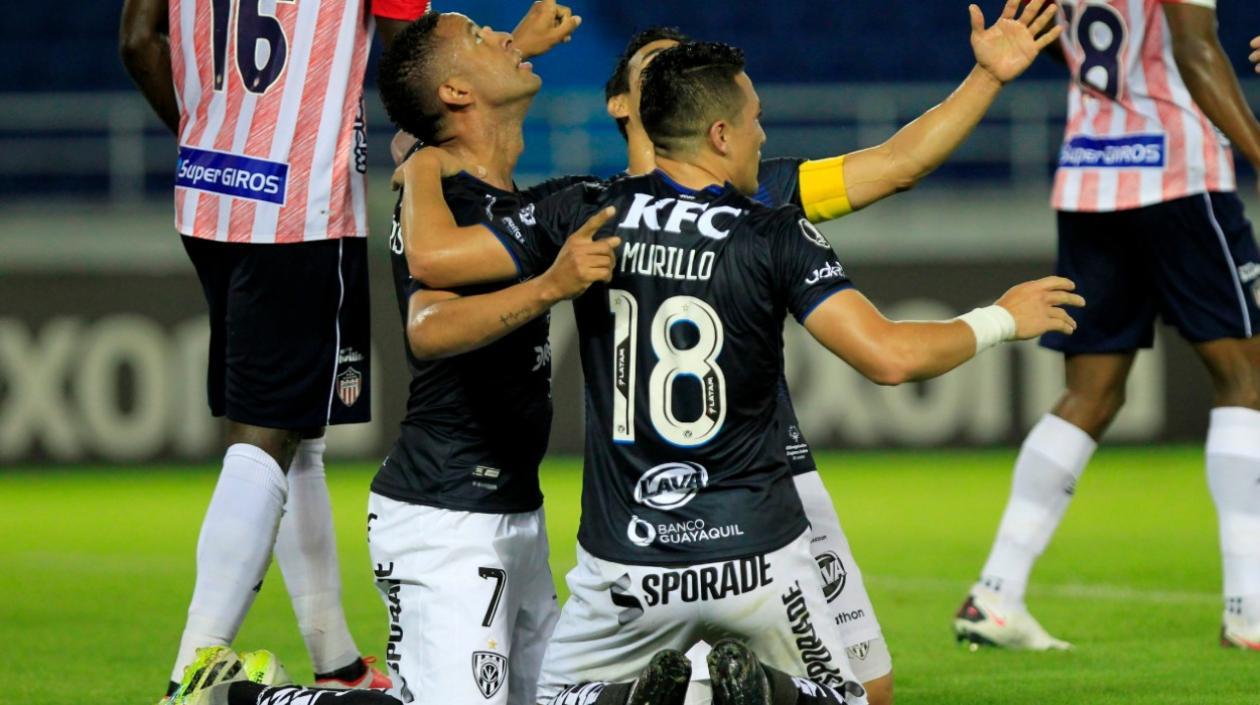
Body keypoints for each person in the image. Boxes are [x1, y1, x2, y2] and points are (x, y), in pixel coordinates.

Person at [395, 38, 1082, 703]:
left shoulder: (582, 211)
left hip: (629, 560)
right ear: (715, 130)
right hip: (758, 545)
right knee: (850, 696)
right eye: (753, 121)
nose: (762, 134)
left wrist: (425, 166)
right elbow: (891, 355)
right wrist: (1002, 318)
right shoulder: (773, 221)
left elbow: (433, 260)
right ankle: (763, 693)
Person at [596, 3, 1062, 700]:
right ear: (621, 104)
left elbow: (898, 163)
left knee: (870, 688)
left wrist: (986, 78)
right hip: (646, 502)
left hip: (771, 478)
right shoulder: (591, 212)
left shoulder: (760, 189)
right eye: (658, 68)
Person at [119, 0, 432, 698]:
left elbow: (140, 42)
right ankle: (192, 668)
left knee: (294, 431)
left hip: (208, 195)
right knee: (263, 434)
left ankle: (338, 660)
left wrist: (209, 134)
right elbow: (410, 56)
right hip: (301, 201)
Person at [954, 0, 1260, 651]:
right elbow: (1195, 48)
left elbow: (1051, 30)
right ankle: (1249, 608)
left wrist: (1113, 84)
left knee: (1092, 392)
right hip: (1176, 172)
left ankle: (996, 592)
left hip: (1091, 171)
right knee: (1248, 377)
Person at [370, 9, 597, 705]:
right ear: (458, 94)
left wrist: (506, 53)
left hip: (514, 511)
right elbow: (428, 328)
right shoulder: (444, 196)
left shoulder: (445, 175)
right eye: (479, 37)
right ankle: (256, 695)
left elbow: (423, 118)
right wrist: (552, 286)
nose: (501, 35)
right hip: (444, 514)